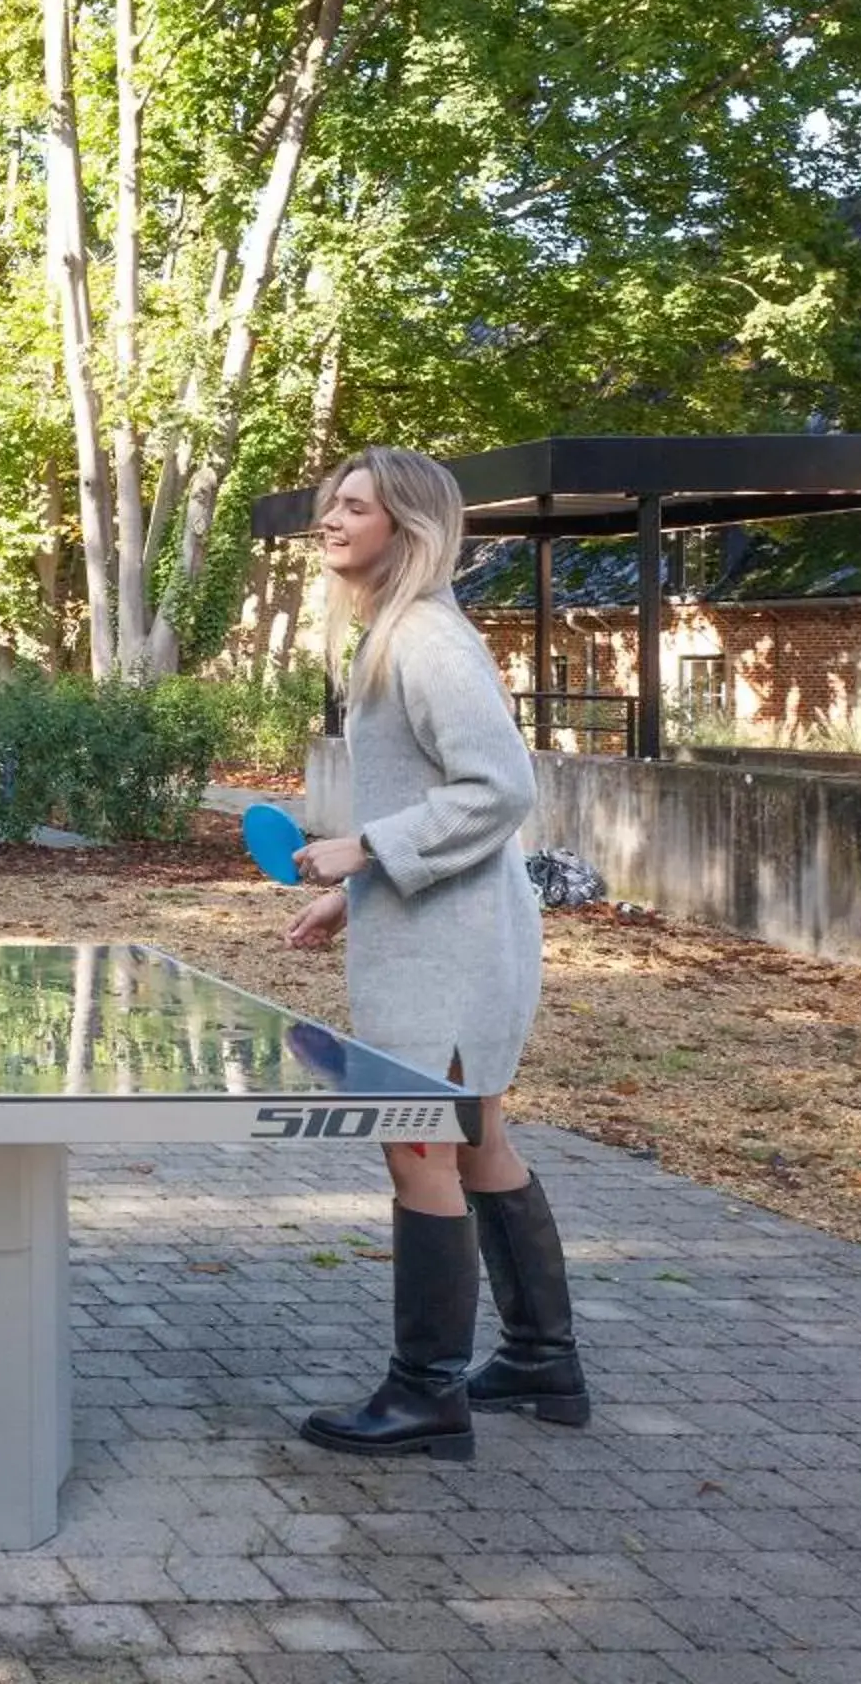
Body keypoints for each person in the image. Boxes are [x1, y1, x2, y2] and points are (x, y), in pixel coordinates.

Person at [282, 447, 590, 1456]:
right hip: (448, 928)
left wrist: (365, 847)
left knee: (417, 1147)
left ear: (405, 527)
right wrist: (355, 890)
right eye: (332, 502)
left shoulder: (425, 640)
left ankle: (426, 1395)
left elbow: (499, 787)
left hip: (450, 951)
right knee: (474, 1142)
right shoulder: (398, 634)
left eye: (355, 506)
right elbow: (446, 805)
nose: (332, 517)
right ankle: (544, 1357)